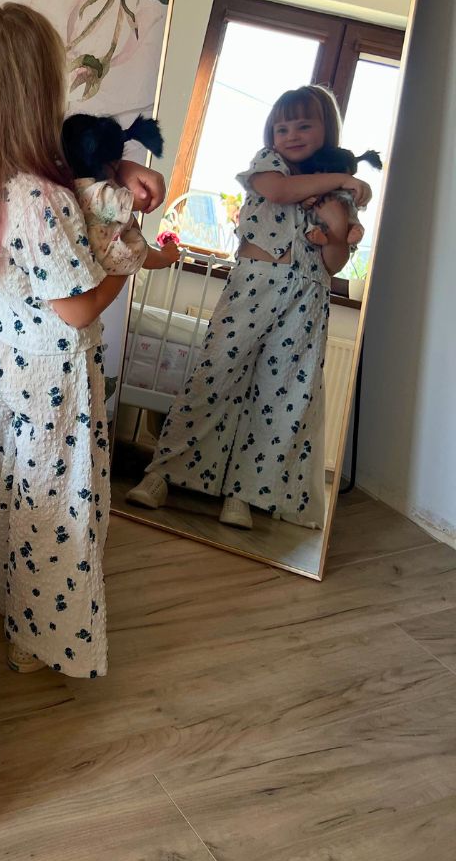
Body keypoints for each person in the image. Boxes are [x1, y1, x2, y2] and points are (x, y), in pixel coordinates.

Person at [0, 4, 165, 676]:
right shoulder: (41, 198)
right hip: (48, 371)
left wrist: (120, 172)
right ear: (39, 92)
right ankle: (40, 635)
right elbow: (78, 308)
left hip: (0, 354)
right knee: (55, 497)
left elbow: (77, 180)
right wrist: (128, 261)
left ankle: (7, 593)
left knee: (8, 480)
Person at [127, 85, 371, 532]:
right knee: (214, 375)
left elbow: (334, 262)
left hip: (308, 295)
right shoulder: (269, 164)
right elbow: (278, 192)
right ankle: (164, 473)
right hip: (255, 285)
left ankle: (244, 493)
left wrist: (338, 227)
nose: (291, 134)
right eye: (282, 127)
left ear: (326, 131)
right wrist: (342, 180)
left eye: (304, 125)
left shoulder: (337, 193)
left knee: (283, 395)